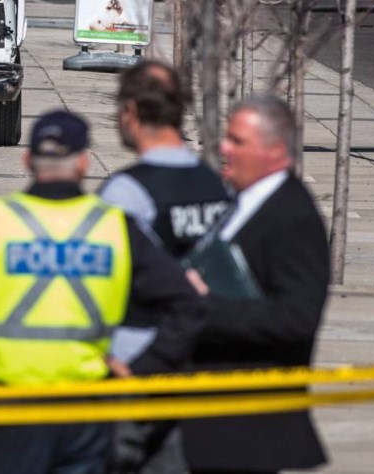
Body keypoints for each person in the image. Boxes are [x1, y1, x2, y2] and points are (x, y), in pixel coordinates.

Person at [0, 109, 204, 474]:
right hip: (83, 411)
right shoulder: (114, 226)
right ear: (84, 162)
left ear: (28, 160)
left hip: (6, 409)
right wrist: (140, 368)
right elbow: (187, 305)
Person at [181, 96, 329, 474]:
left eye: (237, 141)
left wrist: (204, 305)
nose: (224, 148)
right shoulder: (245, 201)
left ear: (275, 150)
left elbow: (296, 317)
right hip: (211, 416)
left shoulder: (292, 216)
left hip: (246, 425)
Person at [98, 61, 231, 474]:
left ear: (131, 113)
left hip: (132, 364)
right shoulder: (216, 186)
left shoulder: (126, 192)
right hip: (197, 363)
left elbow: (100, 282)